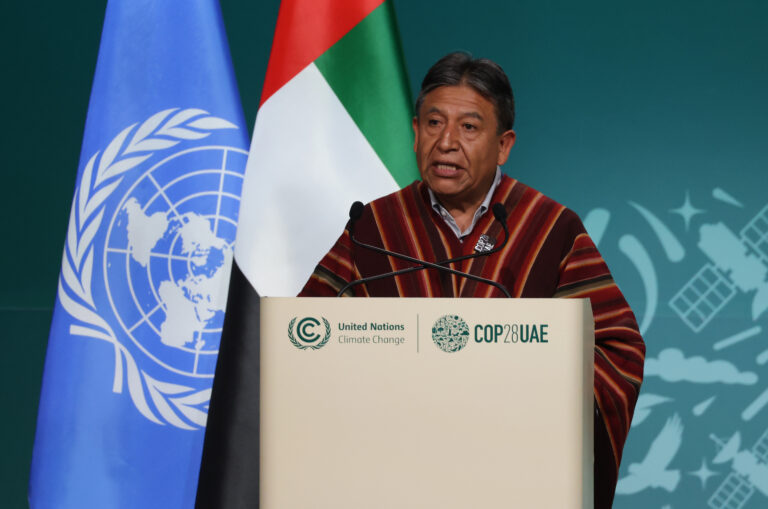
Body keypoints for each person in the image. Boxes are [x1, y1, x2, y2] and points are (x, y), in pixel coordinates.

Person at [299, 51, 645, 508]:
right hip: (393, 476)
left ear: (503, 145)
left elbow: (617, 348)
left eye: (468, 127)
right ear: (415, 132)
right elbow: (305, 343)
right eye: (433, 123)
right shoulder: (375, 228)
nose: (446, 142)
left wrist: (530, 392)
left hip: (514, 478)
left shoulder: (547, 229)